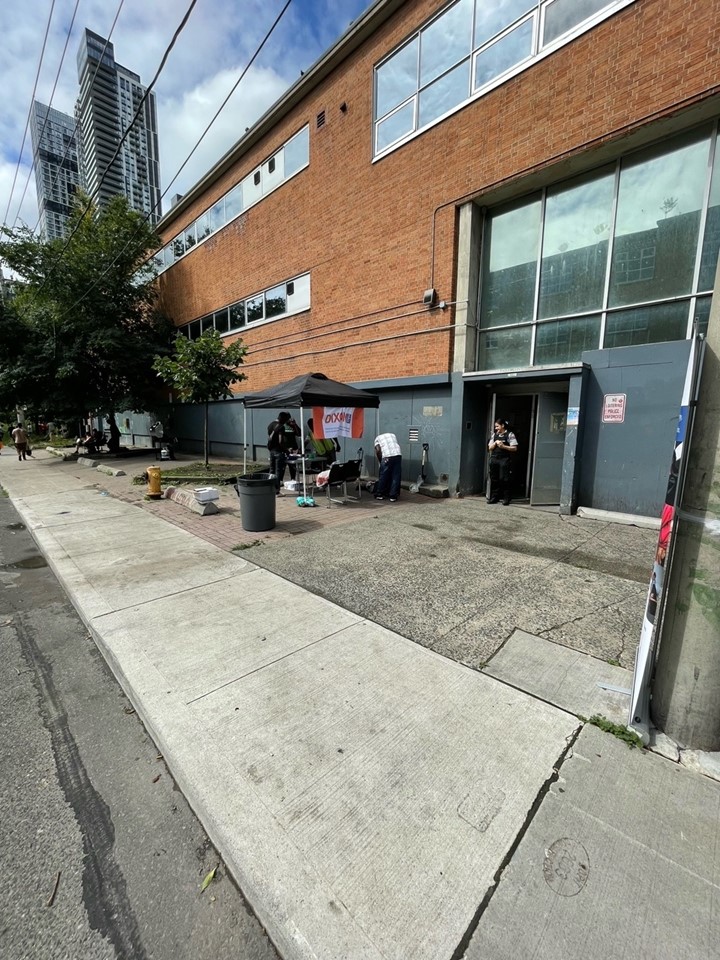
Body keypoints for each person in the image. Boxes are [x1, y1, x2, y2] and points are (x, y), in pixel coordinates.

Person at [267, 412, 301, 493]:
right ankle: (277, 490)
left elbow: (299, 433)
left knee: (272, 470)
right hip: (280, 451)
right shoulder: (281, 426)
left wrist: (294, 425)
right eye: (286, 419)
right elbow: (280, 441)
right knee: (279, 471)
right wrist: (286, 450)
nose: (287, 421)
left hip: (272, 450)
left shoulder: (271, 425)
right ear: (282, 418)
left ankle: (269, 488)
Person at [487, 417, 518, 505]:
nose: (495, 428)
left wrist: (503, 446)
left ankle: (506, 498)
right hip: (494, 459)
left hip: (504, 459)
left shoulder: (510, 434)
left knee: (504, 479)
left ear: (503, 425)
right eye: (495, 427)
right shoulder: (494, 435)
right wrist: (495, 443)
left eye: (497, 426)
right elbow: (490, 448)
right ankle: (494, 497)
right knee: (494, 478)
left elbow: (514, 448)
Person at [373, 432, 402, 501]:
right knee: (396, 475)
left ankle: (379, 494)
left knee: (383, 475)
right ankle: (393, 496)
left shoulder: (377, 439)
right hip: (398, 455)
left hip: (387, 456)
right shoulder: (393, 435)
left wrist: (381, 461)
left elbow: (378, 450)